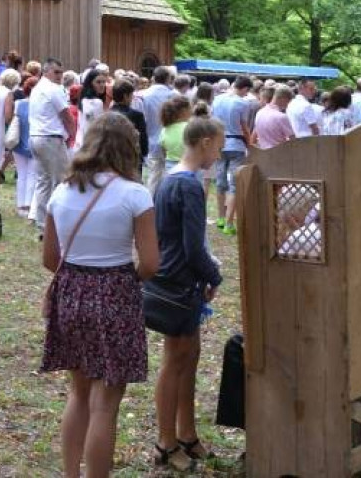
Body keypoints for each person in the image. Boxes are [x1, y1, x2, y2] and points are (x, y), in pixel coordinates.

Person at [40, 112, 159, 478]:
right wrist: (124, 280)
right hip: (114, 295)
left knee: (77, 393)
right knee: (105, 403)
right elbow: (151, 262)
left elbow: (49, 258)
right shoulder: (135, 195)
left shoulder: (62, 191)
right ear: (129, 148)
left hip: (70, 293)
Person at [152, 117, 225, 471]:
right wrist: (215, 276)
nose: (220, 153)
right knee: (175, 362)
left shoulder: (169, 180)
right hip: (179, 284)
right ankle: (165, 442)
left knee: (189, 357)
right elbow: (193, 248)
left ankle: (187, 433)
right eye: (220, 146)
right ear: (206, 142)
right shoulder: (190, 187)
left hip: (177, 281)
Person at [30, 58, 76, 236]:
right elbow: (66, 115)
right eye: (56, 72)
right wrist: (73, 134)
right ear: (46, 71)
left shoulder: (37, 88)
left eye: (61, 72)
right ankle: (58, 224)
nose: (60, 76)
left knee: (43, 182)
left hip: (37, 137)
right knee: (62, 181)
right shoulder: (52, 89)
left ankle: (43, 225)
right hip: (50, 138)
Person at [211, 76, 254, 235]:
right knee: (234, 184)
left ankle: (221, 218)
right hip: (236, 144)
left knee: (220, 181)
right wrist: (250, 144)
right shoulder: (243, 103)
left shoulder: (217, 99)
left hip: (220, 143)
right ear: (245, 88)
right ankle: (229, 223)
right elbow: (244, 127)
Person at [141, 66, 176, 195]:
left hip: (150, 137)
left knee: (154, 173)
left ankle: (151, 202)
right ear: (168, 79)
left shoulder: (143, 95)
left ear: (154, 78)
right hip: (170, 137)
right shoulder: (173, 95)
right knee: (168, 172)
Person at [11, 77, 39, 219]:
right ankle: (28, 205)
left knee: (21, 175)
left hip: (18, 143)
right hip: (34, 142)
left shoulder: (18, 103)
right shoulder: (39, 104)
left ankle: (21, 205)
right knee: (31, 175)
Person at [111, 79, 148, 174]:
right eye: (131, 95)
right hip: (132, 156)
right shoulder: (137, 115)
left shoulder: (107, 113)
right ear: (125, 96)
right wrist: (144, 153)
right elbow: (142, 137)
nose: (132, 98)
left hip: (112, 156)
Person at [158, 96, 193, 174]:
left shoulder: (165, 129)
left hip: (170, 166)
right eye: (190, 108)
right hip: (189, 165)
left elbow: (163, 151)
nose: (192, 111)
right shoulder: (190, 127)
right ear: (184, 111)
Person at [77, 68, 109, 146]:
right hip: (92, 142)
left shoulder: (83, 100)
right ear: (90, 83)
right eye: (98, 82)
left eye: (104, 82)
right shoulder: (97, 102)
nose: (102, 85)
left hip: (82, 140)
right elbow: (98, 127)